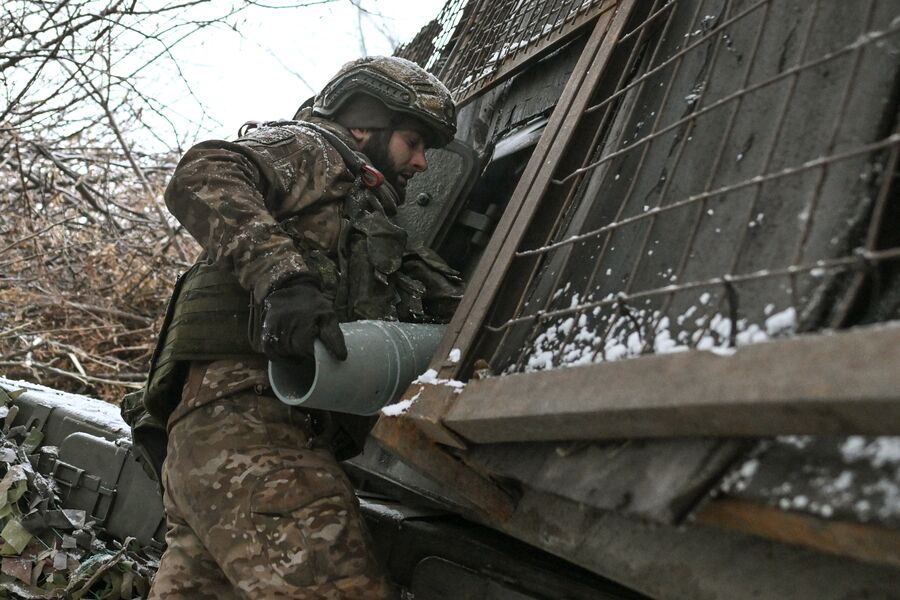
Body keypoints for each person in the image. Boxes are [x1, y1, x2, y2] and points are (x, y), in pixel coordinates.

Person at [142, 56, 463, 599]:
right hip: (256, 434)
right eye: (414, 141)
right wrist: (284, 281)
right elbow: (204, 171)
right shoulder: (314, 151)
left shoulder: (363, 214)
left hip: (212, 444)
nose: (423, 163)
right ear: (364, 125)